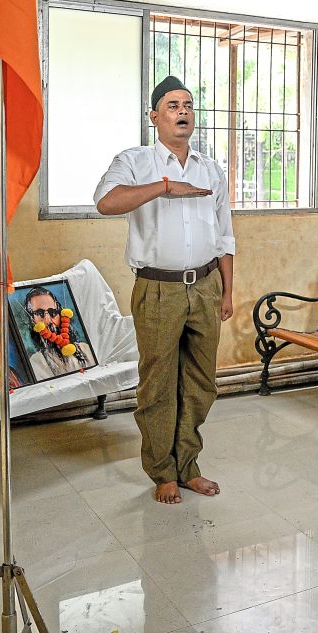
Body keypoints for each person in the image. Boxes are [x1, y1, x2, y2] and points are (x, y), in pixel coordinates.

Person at [95, 76, 235, 505]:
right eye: (172, 105)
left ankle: (188, 465)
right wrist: (164, 187)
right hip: (159, 289)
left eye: (189, 105)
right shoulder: (134, 161)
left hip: (206, 286)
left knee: (200, 382)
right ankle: (162, 471)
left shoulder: (210, 168)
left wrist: (227, 292)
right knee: (157, 384)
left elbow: (225, 234)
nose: (183, 112)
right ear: (154, 116)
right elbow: (105, 201)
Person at [21, 287, 95, 380]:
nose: (48, 320)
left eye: (52, 312)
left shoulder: (86, 349)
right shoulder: (35, 362)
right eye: (40, 313)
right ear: (32, 320)